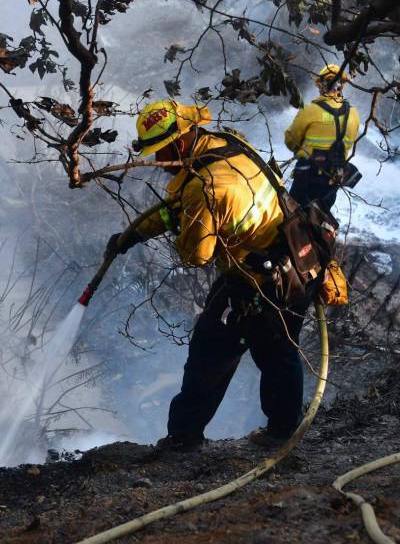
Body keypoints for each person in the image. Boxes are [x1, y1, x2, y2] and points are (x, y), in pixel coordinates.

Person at [106, 100, 311, 452]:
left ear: (183, 140)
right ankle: (281, 432)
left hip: (253, 279)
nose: (158, 162)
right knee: (277, 352)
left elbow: (195, 254)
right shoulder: (226, 142)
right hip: (295, 261)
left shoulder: (206, 186)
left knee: (210, 353)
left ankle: (183, 440)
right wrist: (133, 235)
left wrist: (177, 226)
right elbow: (178, 208)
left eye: (163, 151)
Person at [284, 64, 361, 212]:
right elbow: (348, 144)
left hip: (305, 179)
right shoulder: (354, 114)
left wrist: (304, 148)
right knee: (319, 220)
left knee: (292, 219)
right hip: (332, 182)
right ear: (342, 86)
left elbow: (290, 141)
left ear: (321, 85)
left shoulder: (310, 110)